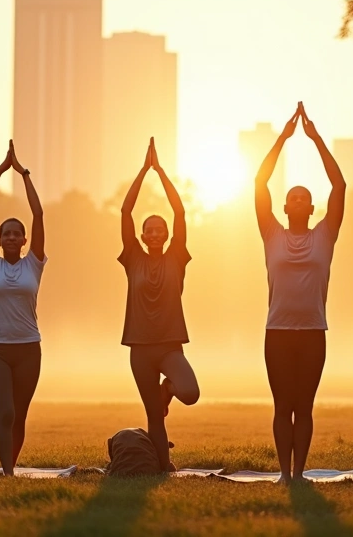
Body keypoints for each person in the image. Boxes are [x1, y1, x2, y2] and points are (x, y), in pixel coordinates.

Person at [254, 102, 346, 485]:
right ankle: (283, 475)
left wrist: (315, 139)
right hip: (277, 332)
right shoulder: (271, 234)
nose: (296, 200)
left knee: (304, 407)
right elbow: (260, 184)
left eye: (302, 197)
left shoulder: (324, 236)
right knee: (282, 406)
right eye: (291, 196)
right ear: (284, 206)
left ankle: (299, 473)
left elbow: (339, 186)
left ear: (311, 208)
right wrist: (283, 139)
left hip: (312, 332)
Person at [118, 137, 200, 472]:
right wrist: (142, 172)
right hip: (139, 347)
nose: (154, 233)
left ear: (167, 235)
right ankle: (163, 468)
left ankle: (168, 391)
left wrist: (161, 172)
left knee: (190, 392)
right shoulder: (132, 258)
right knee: (154, 416)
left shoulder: (176, 258)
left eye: (159, 229)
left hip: (169, 345)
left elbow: (180, 211)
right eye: (148, 229)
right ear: (141, 234)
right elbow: (125, 211)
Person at [0, 140, 46, 475]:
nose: (11, 237)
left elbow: (38, 213)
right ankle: (6, 474)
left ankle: (11, 468)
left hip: (29, 349)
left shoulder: (34, 264)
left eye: (17, 234)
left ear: (24, 240)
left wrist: (24, 174)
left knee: (19, 414)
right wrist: (0, 173)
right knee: (4, 413)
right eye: (6, 234)